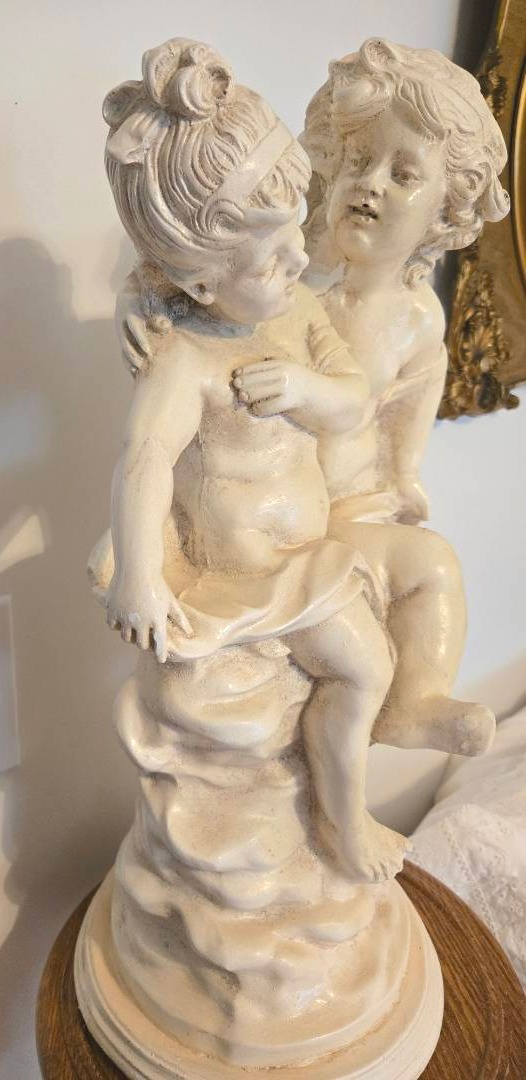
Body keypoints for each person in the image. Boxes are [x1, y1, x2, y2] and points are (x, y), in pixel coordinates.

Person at [94, 37, 410, 882]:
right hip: (240, 581)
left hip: (304, 566)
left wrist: (307, 388)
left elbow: (355, 402)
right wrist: (139, 579)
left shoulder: (298, 313)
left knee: (370, 668)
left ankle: (342, 817)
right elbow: (143, 461)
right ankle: (333, 826)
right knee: (356, 668)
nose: (301, 260)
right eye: (271, 260)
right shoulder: (185, 357)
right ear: (201, 285)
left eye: (295, 234)